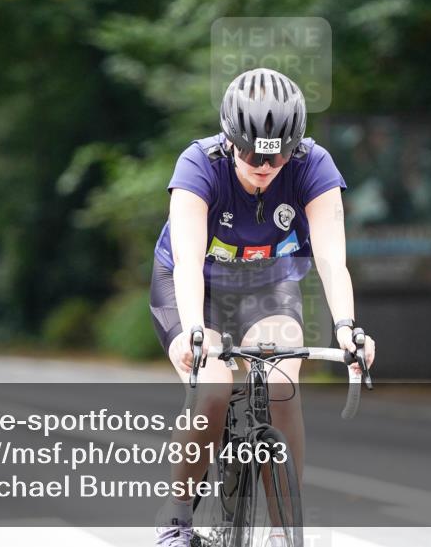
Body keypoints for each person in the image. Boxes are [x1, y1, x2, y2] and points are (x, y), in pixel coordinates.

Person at [150, 67, 376, 547]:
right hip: (195, 287)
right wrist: (194, 331)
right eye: (252, 153)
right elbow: (188, 262)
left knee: (281, 385)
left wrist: (347, 328)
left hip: (267, 286)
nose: (265, 166)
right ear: (229, 140)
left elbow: (334, 262)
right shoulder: (199, 164)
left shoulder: (312, 166)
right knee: (212, 389)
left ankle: (282, 531)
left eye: (279, 156)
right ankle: (177, 519)